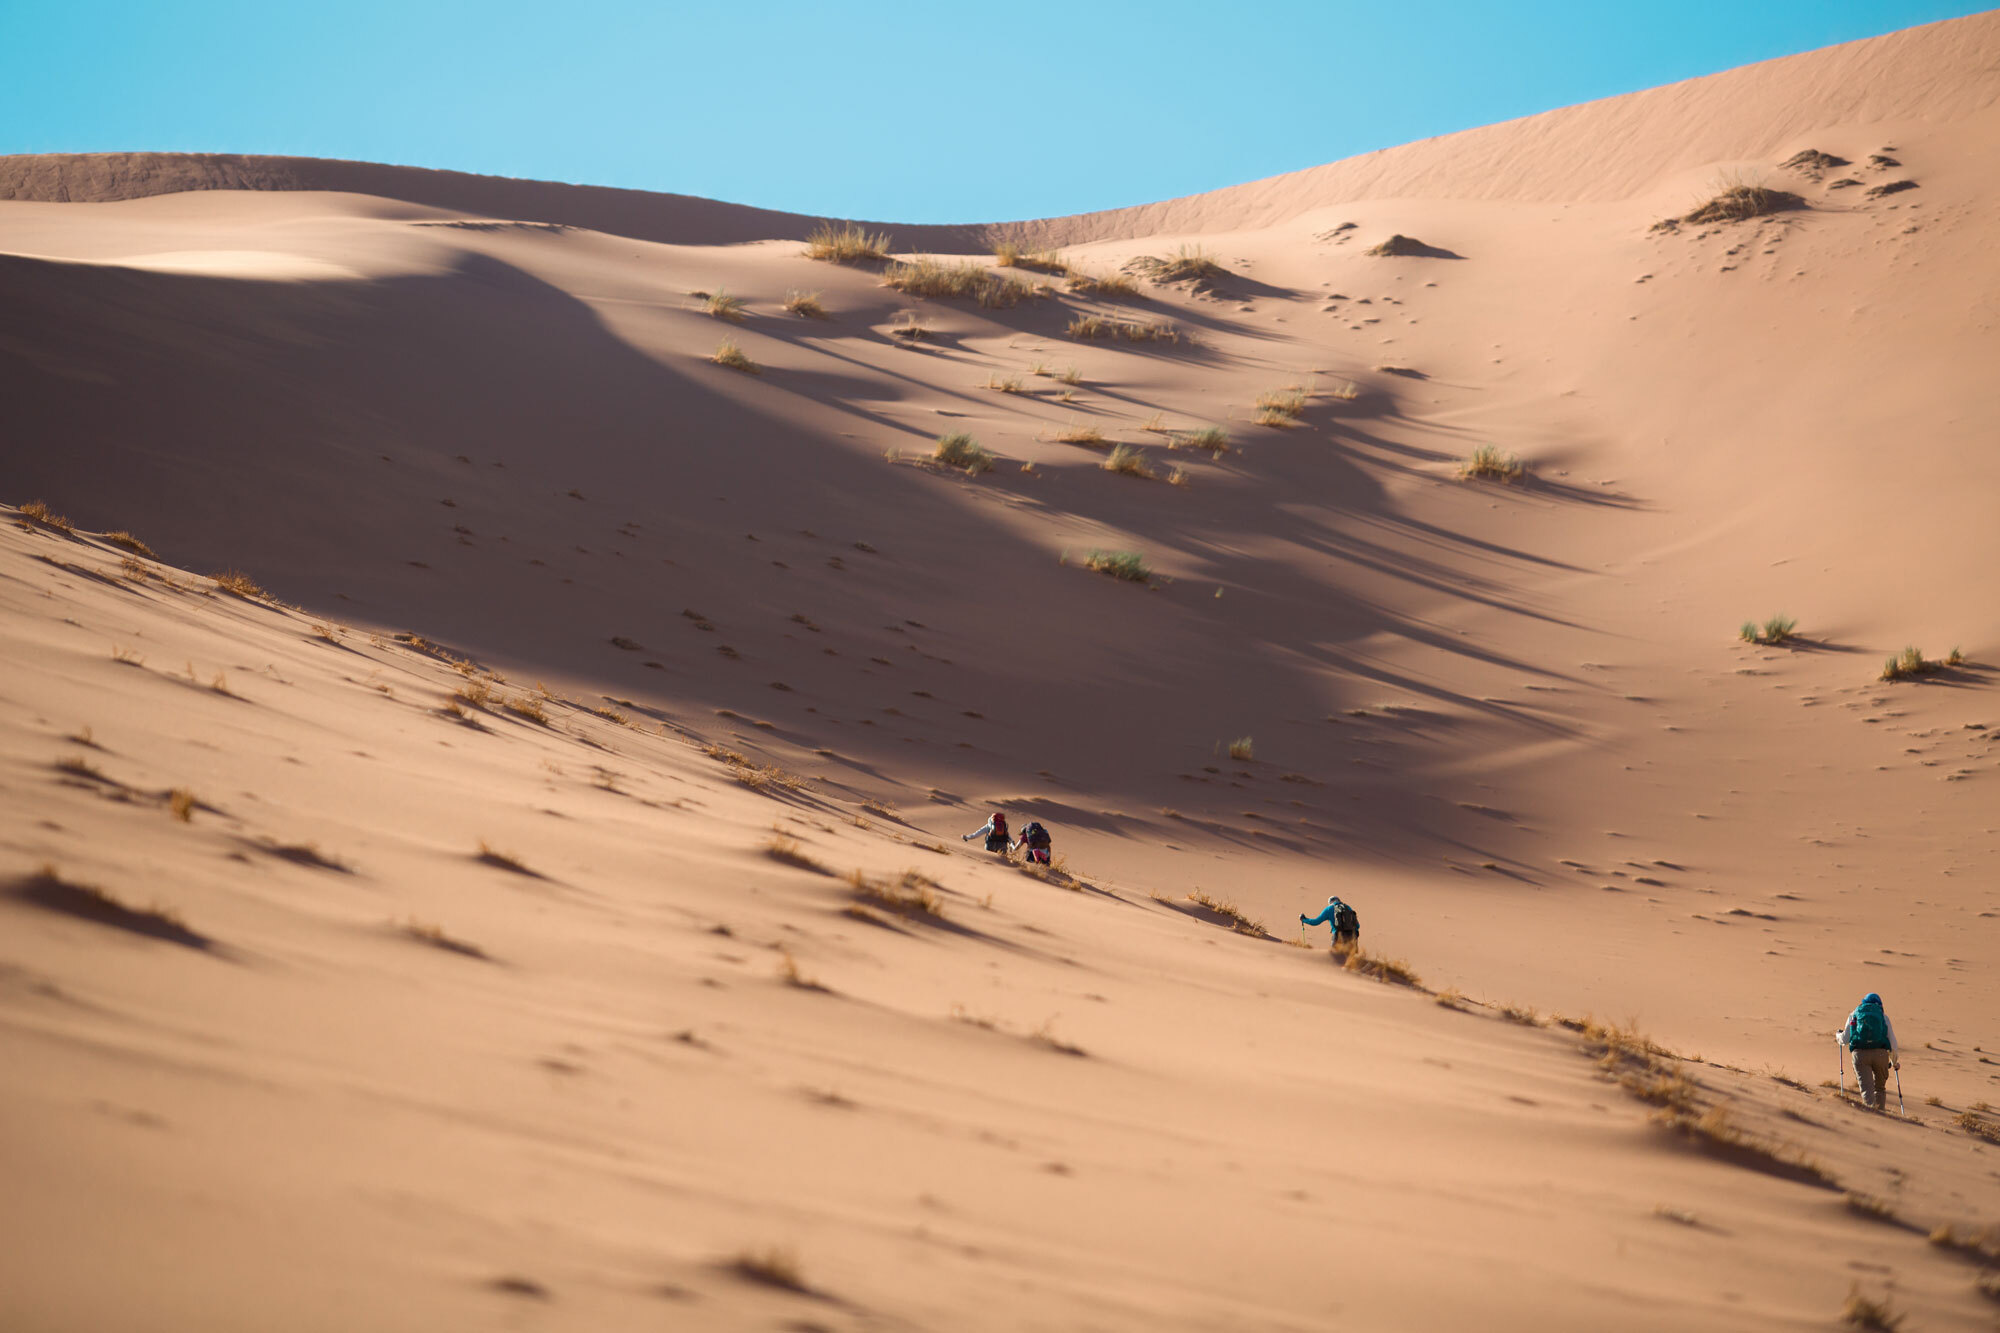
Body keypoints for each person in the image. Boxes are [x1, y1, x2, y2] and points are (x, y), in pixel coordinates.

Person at [1840, 992, 1900, 1111]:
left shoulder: (1854, 1014)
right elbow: (1893, 1043)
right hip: (1881, 1055)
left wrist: (1838, 1036)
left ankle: (1871, 1116)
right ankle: (1881, 1115)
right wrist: (1894, 1062)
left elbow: (1845, 1039)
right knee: (1880, 1088)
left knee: (1867, 1089)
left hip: (1860, 1054)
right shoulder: (1883, 1017)